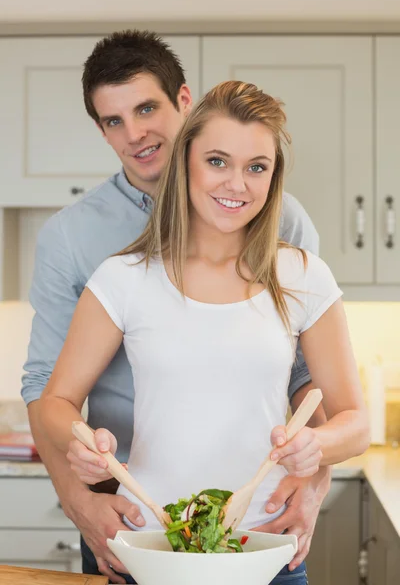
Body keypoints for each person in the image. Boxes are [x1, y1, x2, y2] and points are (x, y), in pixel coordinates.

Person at [22, 30, 330, 584]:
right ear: (99, 128)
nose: (135, 134)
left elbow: (312, 380)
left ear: (183, 102)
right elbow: (47, 387)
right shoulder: (73, 239)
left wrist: (315, 483)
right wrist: (79, 502)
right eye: (113, 121)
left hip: (252, 520)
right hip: (130, 514)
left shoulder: (280, 221)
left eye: (147, 108)